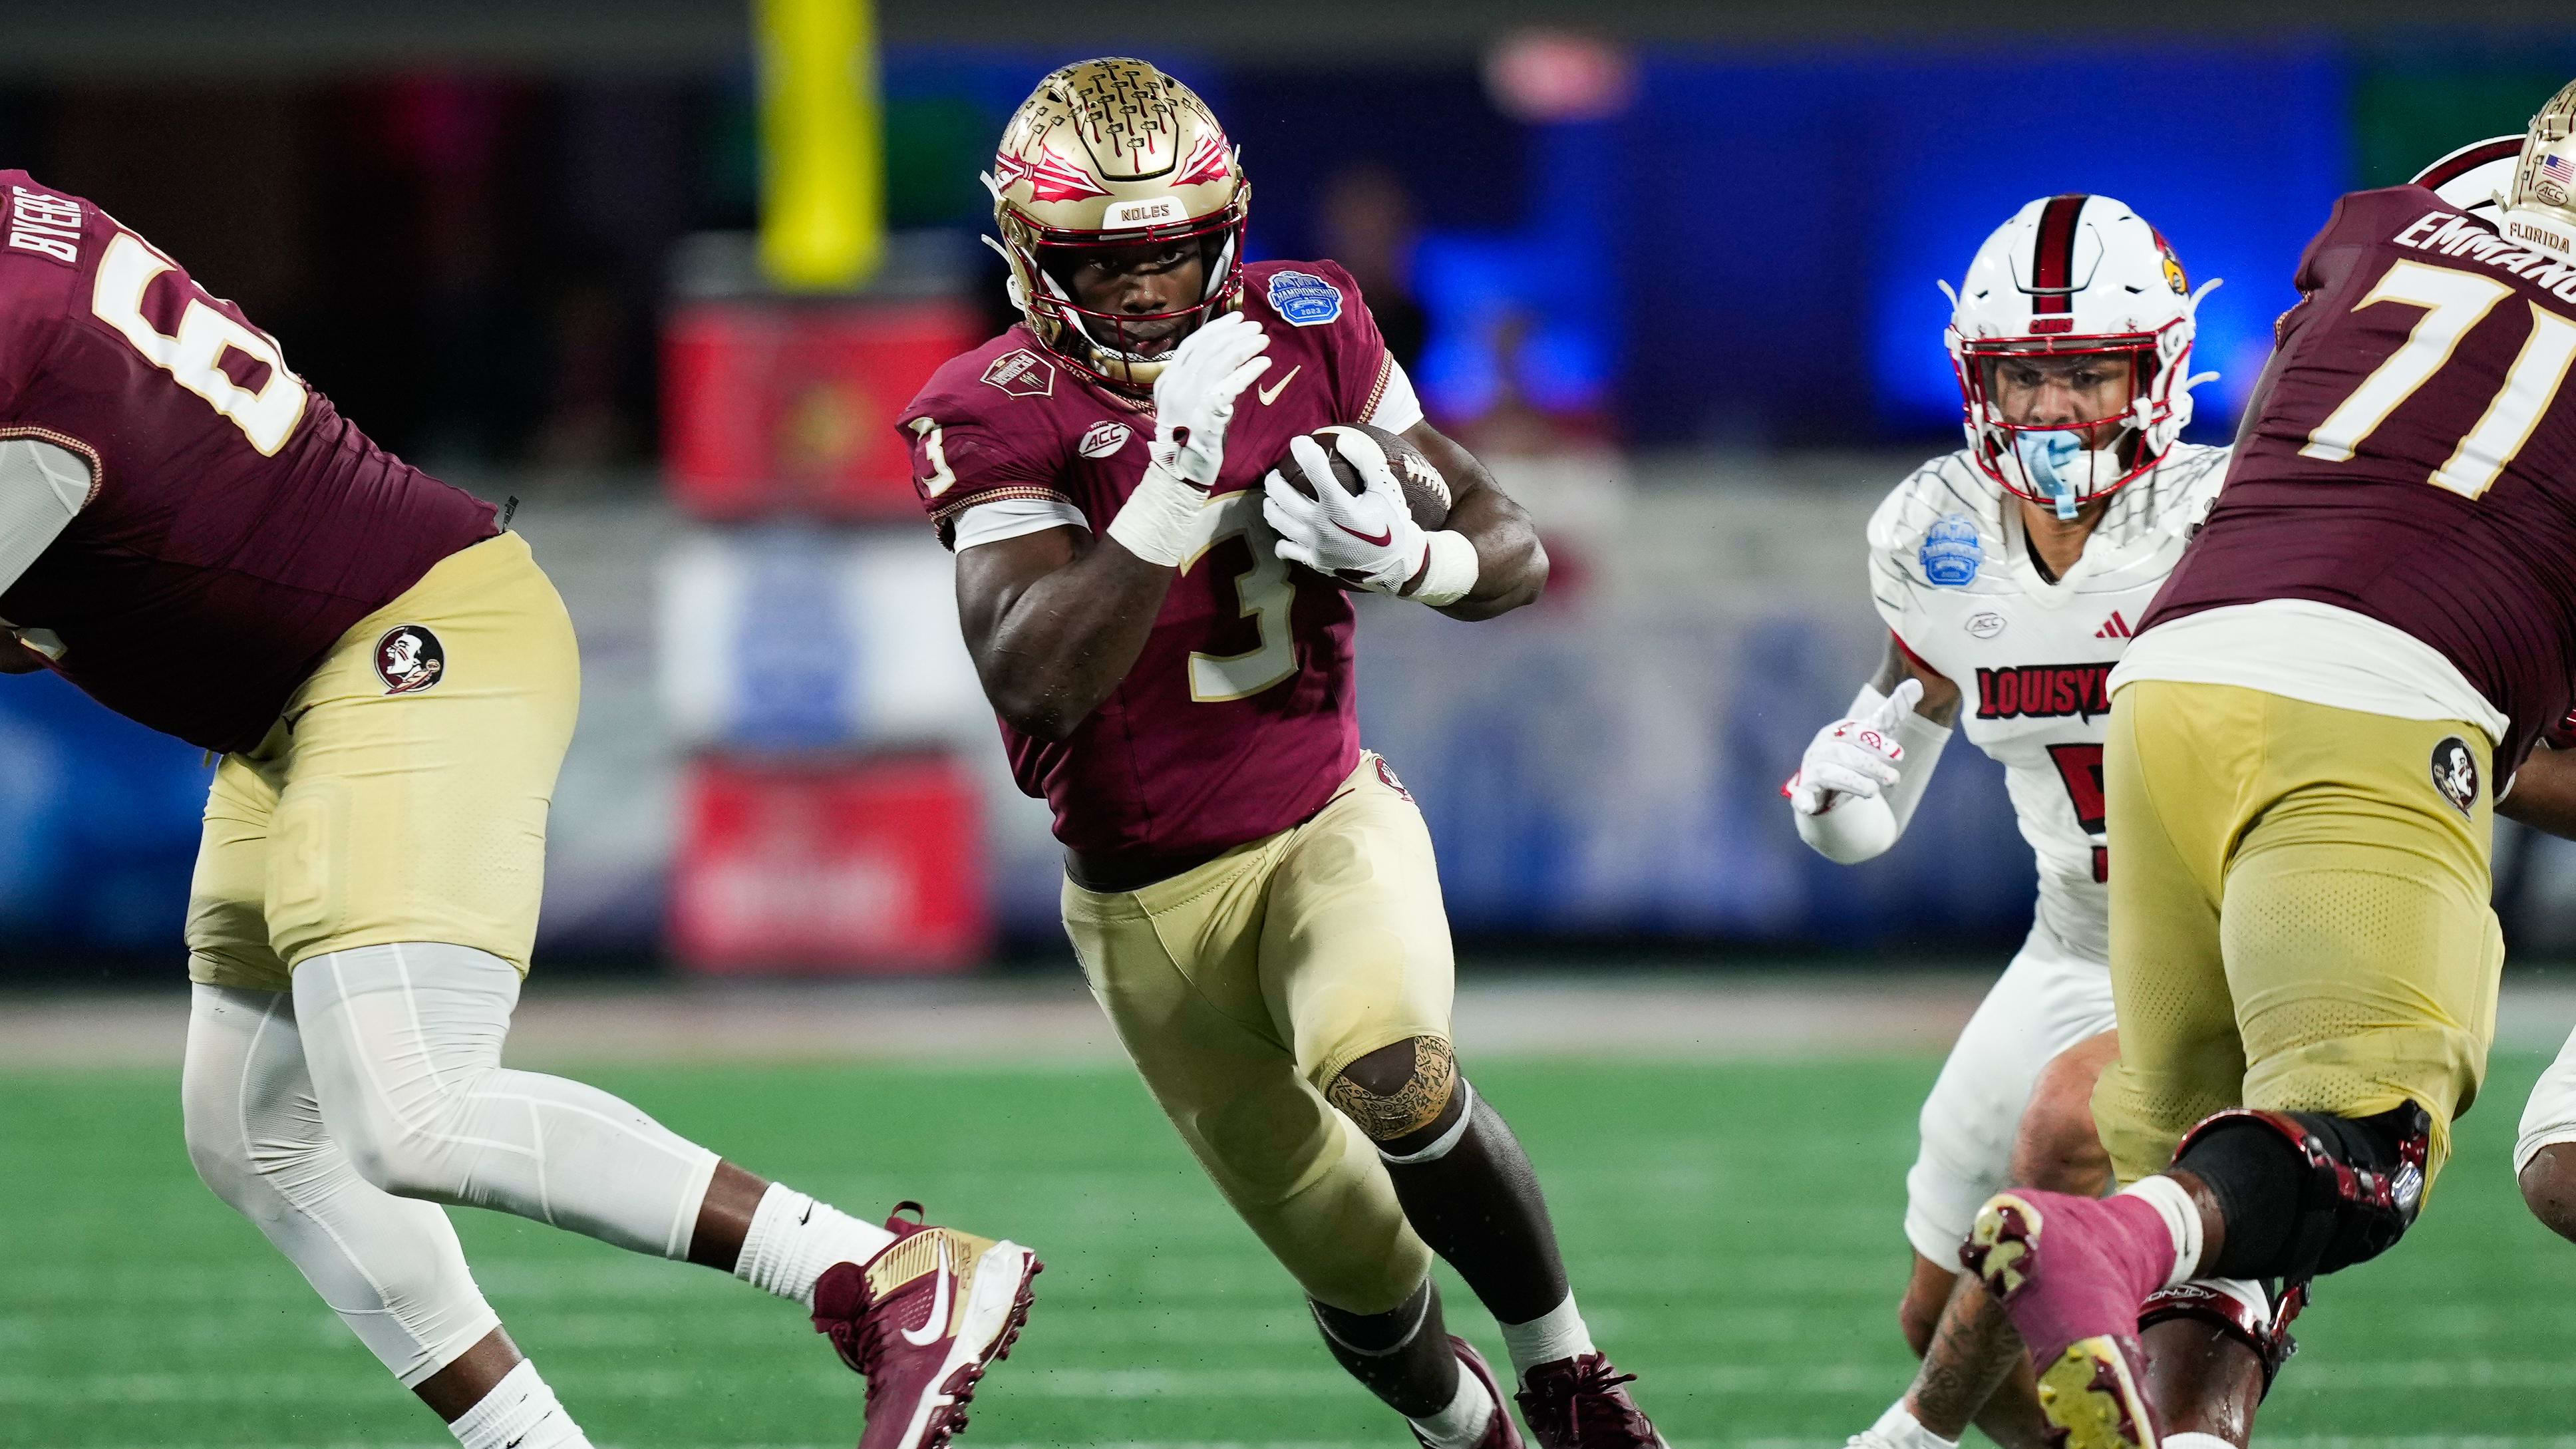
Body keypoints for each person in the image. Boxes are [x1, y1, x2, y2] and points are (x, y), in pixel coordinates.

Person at [0, 172, 1037, 1449]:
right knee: (257, 1131)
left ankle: (877, 1275)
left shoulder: (19, 350)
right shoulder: (19, 243)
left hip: (397, 648)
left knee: (411, 1110)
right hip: (296, 690)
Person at [903, 57, 1663, 1449]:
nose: (1144, 292)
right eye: (1102, 261)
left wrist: (1417, 553)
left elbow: (1512, 546)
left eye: (1174, 254)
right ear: (1025, 249)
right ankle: (1471, 1435)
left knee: (1395, 1071)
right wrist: (1169, 490)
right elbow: (1035, 681)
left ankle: (1569, 1380)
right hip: (1142, 913)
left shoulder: (1307, 321)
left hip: (1324, 826)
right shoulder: (988, 404)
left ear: (1226, 230)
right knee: (1362, 1281)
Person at [1960, 79, 2576, 1449]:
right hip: (2370, 705)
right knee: (2368, 1147)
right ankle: (2107, 1241)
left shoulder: (2381, 240)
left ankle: (2179, 1393)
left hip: (2171, 682)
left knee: (2234, 1202)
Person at [1784, 195, 2269, 1449]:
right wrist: (1844, 795)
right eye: (2026, 373)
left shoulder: (2239, 526)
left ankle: (1910, 1436)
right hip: (2068, 942)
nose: (2052, 409)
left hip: (2224, 940)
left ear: (2157, 368)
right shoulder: (1939, 529)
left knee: (2062, 1128)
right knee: (1937, 1309)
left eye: (2087, 370)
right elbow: (1902, 736)